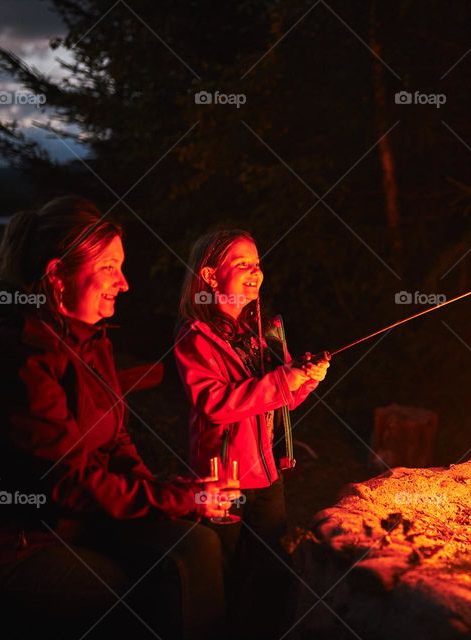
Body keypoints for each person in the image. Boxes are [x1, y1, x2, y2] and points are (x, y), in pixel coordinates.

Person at [0, 196, 237, 640]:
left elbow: (116, 441)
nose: (124, 284)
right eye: (109, 267)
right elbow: (66, 479)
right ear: (56, 275)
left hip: (71, 521)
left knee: (195, 542)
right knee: (129, 592)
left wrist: (168, 499)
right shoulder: (17, 354)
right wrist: (171, 499)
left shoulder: (90, 339)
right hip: (2, 543)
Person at [174, 229, 328, 637]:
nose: (255, 272)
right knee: (226, 577)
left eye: (257, 263)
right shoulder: (196, 339)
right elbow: (215, 405)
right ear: (209, 276)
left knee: (273, 575)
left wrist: (304, 379)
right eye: (242, 264)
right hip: (224, 478)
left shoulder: (258, 333)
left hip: (267, 475)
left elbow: (277, 401)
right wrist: (283, 380)